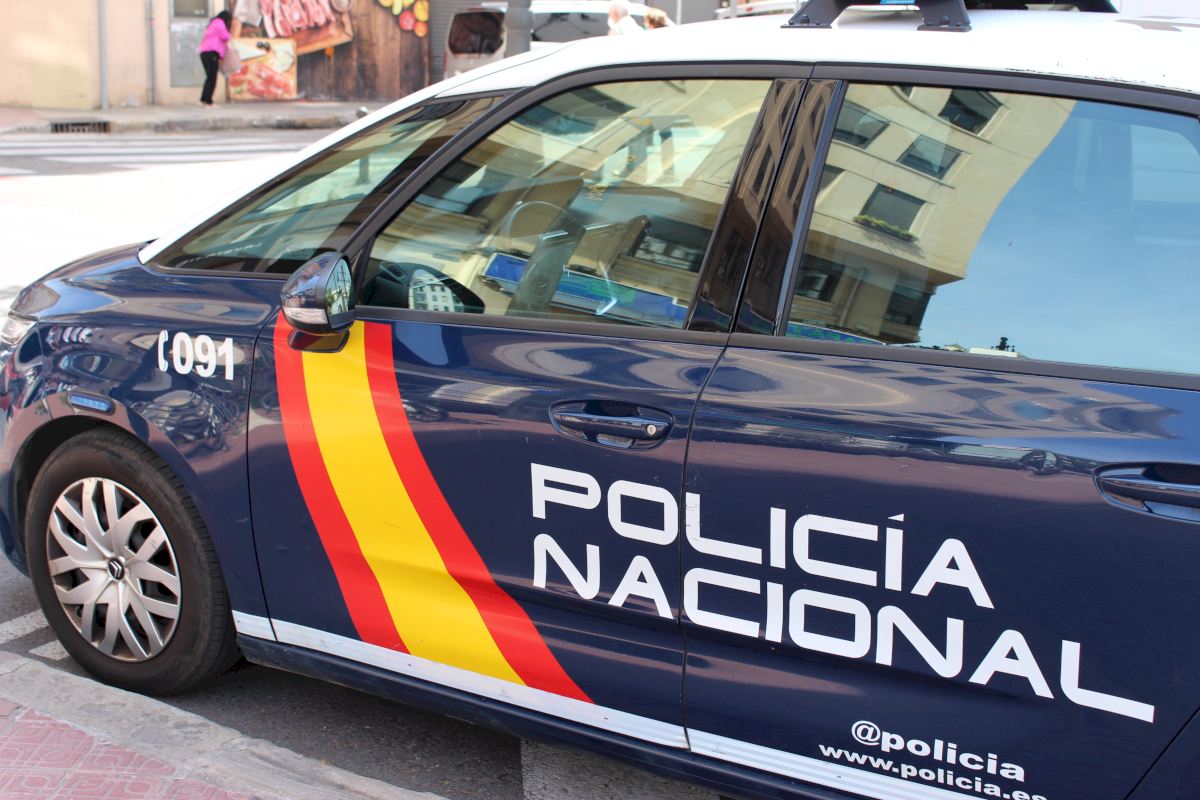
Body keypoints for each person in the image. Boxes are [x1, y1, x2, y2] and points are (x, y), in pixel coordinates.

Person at [198, 11, 233, 107]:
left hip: (204, 53)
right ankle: (208, 101)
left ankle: (204, 100)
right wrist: (230, 35)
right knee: (212, 78)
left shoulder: (213, 23)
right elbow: (226, 36)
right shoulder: (219, 23)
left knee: (209, 77)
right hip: (211, 53)